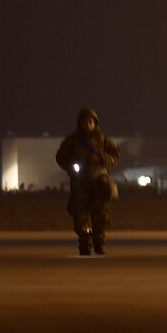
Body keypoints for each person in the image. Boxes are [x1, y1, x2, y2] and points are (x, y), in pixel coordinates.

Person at [55, 107, 122, 256]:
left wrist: (103, 158)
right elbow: (60, 157)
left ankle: (99, 242)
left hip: (99, 180)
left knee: (101, 214)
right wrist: (71, 166)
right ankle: (85, 243)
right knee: (80, 214)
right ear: (80, 123)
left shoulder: (103, 139)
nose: (88, 124)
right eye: (85, 121)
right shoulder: (71, 141)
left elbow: (116, 153)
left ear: (95, 123)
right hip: (80, 182)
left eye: (90, 121)